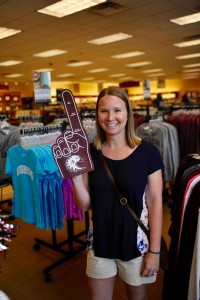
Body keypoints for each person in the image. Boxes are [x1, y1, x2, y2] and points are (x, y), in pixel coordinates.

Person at [72, 86, 164, 300]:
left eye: (117, 110)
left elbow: (155, 202)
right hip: (99, 245)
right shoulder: (90, 153)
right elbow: (85, 204)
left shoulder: (148, 153)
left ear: (128, 114)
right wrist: (76, 179)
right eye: (104, 111)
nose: (110, 117)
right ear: (97, 115)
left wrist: (155, 251)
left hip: (136, 247)